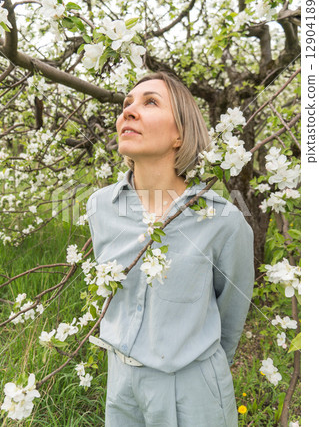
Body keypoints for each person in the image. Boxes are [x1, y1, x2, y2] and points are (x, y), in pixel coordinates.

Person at [86, 71, 255, 427]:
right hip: (121, 388)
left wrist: (193, 367)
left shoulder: (223, 221)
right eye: (126, 104)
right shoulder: (99, 207)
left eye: (150, 102)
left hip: (193, 391)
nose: (128, 112)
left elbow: (231, 315)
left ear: (179, 134)